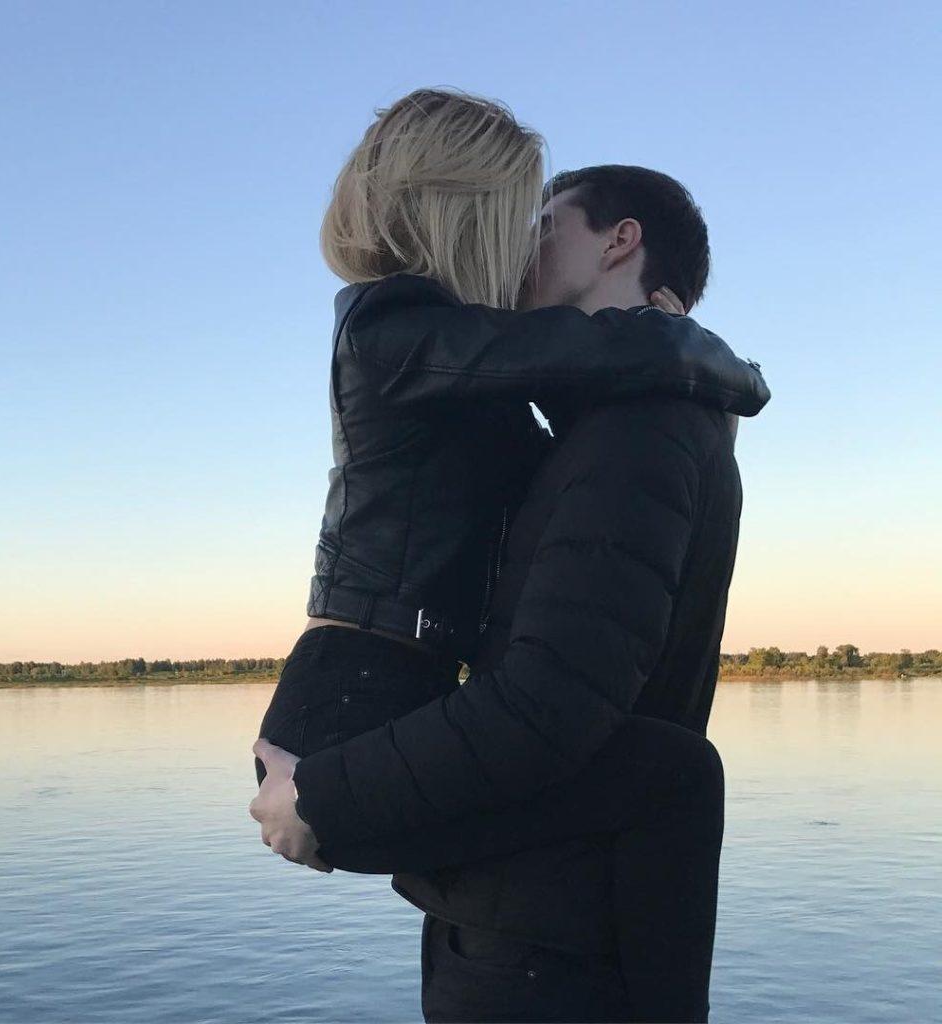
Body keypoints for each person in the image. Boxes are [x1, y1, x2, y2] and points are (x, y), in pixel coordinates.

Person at [250, 91, 769, 1019]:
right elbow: (569, 357)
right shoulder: (399, 332)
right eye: (515, 217)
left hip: (536, 946)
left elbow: (547, 706)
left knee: (680, 781)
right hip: (374, 731)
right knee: (678, 782)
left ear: (618, 241)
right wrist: (702, 360)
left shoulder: (633, 432)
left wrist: (329, 798)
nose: (523, 245)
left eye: (546, 223)